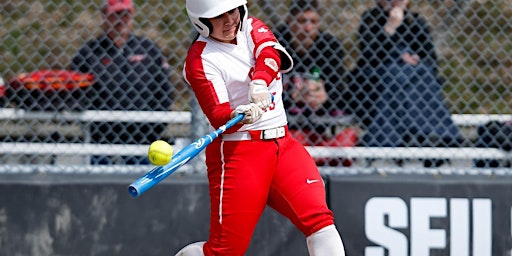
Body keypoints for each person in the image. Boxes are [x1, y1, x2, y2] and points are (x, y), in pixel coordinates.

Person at [175, 0, 346, 255]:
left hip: (283, 145)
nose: (229, 20)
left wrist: (259, 84)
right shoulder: (200, 59)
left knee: (320, 222)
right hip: (240, 153)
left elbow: (270, 55)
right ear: (202, 21)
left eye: (232, 11)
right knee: (225, 251)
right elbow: (217, 114)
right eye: (218, 16)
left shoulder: (251, 27)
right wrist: (239, 114)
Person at [350, 0, 464, 159]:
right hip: (377, 77)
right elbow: (370, 55)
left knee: (420, 72)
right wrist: (390, 26)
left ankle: (428, 135)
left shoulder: (416, 21)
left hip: (413, 77)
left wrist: (415, 58)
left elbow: (431, 59)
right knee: (396, 74)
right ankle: (427, 133)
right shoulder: (370, 18)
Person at [70, 0, 173, 164]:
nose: (121, 20)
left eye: (126, 15)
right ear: (104, 17)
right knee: (101, 183)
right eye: (115, 15)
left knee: (142, 183)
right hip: (102, 135)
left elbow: (165, 90)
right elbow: (75, 92)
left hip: (143, 135)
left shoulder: (148, 48)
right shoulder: (89, 52)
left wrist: (155, 127)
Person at [274, 0, 357, 167]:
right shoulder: (276, 44)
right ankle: (310, 158)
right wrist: (293, 96)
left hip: (319, 123)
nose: (308, 28)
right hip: (287, 125)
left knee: (347, 137)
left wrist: (323, 98)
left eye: (313, 22)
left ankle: (308, 159)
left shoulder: (329, 46)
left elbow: (340, 90)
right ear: (290, 21)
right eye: (302, 21)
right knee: (289, 143)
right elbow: (264, 89)